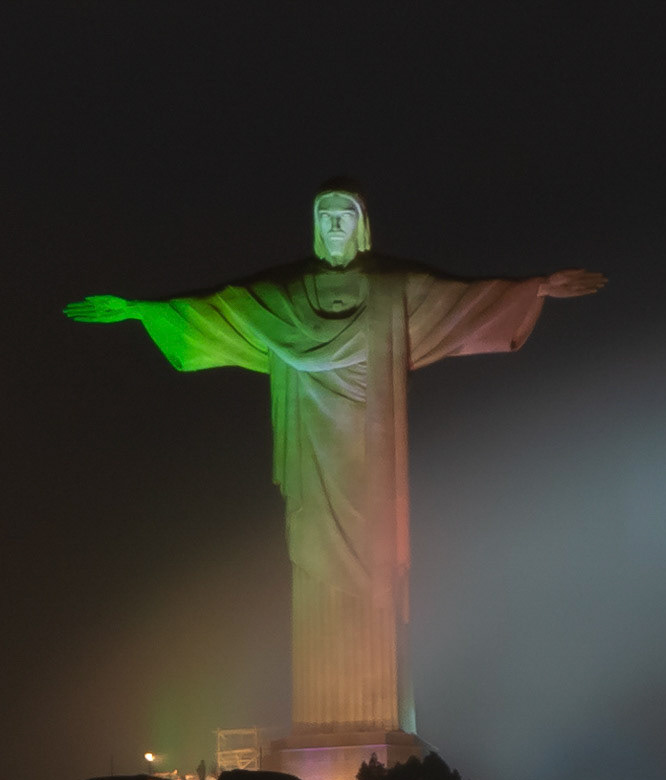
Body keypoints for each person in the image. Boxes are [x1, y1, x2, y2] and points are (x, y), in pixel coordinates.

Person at [64, 182, 605, 736]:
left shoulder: (394, 290)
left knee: (375, 572)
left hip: (371, 466)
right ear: (314, 227)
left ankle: (380, 725)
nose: (334, 225)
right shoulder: (288, 297)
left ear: (363, 226)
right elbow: (222, 311)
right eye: (324, 216)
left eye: (345, 215)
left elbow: (464, 302)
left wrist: (535, 289)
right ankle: (323, 730)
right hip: (312, 462)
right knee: (313, 564)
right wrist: (141, 311)